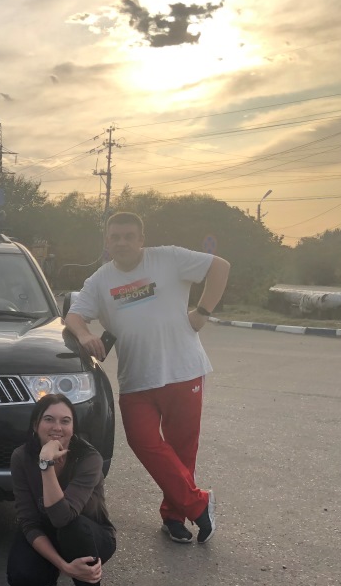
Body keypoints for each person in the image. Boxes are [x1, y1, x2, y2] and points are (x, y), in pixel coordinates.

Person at [64, 211, 230, 545]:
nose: (122, 242)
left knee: (182, 450)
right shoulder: (100, 280)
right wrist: (84, 335)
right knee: (143, 442)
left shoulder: (168, 258)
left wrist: (202, 312)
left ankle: (174, 517)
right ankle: (199, 503)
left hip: (183, 371)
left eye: (129, 236)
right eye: (115, 237)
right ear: (107, 242)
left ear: (141, 239)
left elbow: (220, 266)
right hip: (136, 379)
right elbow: (74, 315)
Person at [7, 393, 116, 586]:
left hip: (92, 536)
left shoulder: (89, 458)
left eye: (65, 421)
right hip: (49, 533)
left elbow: (62, 517)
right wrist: (64, 566)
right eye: (49, 419)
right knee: (22, 578)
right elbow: (28, 522)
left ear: (73, 428)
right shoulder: (21, 457)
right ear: (35, 425)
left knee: (71, 527)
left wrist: (46, 465)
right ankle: (49, 578)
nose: (57, 427)